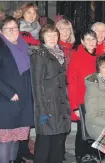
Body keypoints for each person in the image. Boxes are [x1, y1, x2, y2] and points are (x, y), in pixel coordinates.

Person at [0, 16, 34, 163]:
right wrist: (9, 93)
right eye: (8, 28)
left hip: (21, 101)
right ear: (1, 30)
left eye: (15, 28)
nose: (13, 31)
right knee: (5, 141)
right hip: (3, 101)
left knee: (15, 138)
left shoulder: (23, 46)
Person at [30, 24, 71, 163]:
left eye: (55, 35)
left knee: (58, 144)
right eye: (49, 35)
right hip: (47, 104)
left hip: (60, 104)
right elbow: (36, 84)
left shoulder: (60, 53)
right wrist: (42, 110)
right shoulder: (40, 55)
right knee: (44, 144)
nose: (53, 38)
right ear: (42, 38)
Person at [13, 3, 41, 160]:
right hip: (23, 76)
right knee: (22, 114)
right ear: (22, 14)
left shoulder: (37, 30)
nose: (31, 15)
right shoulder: (19, 31)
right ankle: (18, 151)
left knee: (29, 115)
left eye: (34, 13)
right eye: (28, 12)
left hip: (35, 76)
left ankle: (23, 148)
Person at [67, 29, 98, 162]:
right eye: (88, 39)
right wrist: (74, 107)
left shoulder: (99, 57)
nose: (91, 42)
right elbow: (71, 84)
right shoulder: (77, 57)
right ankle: (81, 157)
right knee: (83, 132)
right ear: (82, 42)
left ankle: (94, 157)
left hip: (97, 102)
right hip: (82, 102)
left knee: (96, 130)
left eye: (93, 39)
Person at [55, 18, 76, 161]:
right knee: (58, 122)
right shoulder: (54, 47)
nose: (66, 32)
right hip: (57, 90)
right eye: (62, 29)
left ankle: (61, 152)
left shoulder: (73, 49)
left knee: (65, 123)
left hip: (70, 90)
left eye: (68, 29)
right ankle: (57, 153)